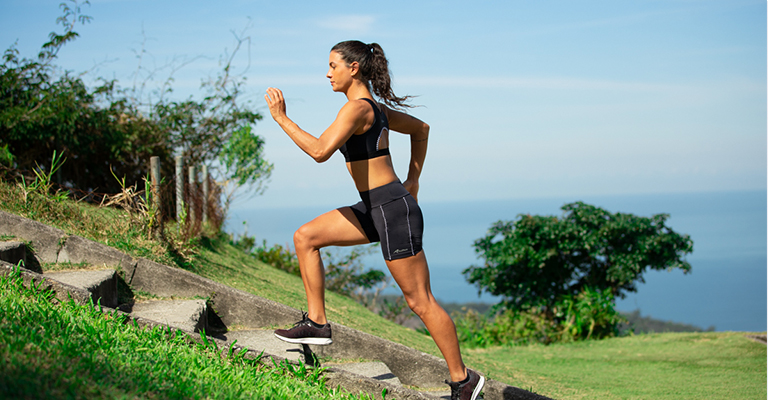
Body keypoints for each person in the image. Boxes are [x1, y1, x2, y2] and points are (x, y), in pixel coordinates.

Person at [265, 40, 484, 400]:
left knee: (420, 302)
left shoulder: (357, 109)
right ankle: (317, 323)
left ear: (353, 68)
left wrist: (282, 118)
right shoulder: (375, 109)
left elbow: (320, 151)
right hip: (374, 206)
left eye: (332, 65)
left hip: (393, 210)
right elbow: (422, 129)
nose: (327, 73)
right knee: (306, 237)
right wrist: (413, 179)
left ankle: (463, 380)